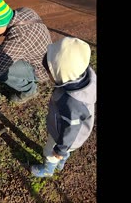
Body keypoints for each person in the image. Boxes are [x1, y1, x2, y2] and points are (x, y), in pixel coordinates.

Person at [30, 37, 96, 177]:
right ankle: (62, 159)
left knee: (49, 151)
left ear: (63, 73)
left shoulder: (71, 102)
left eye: (50, 72)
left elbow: (71, 129)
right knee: (62, 151)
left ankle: (48, 169)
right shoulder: (83, 75)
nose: (48, 75)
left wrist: (60, 149)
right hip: (71, 135)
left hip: (64, 137)